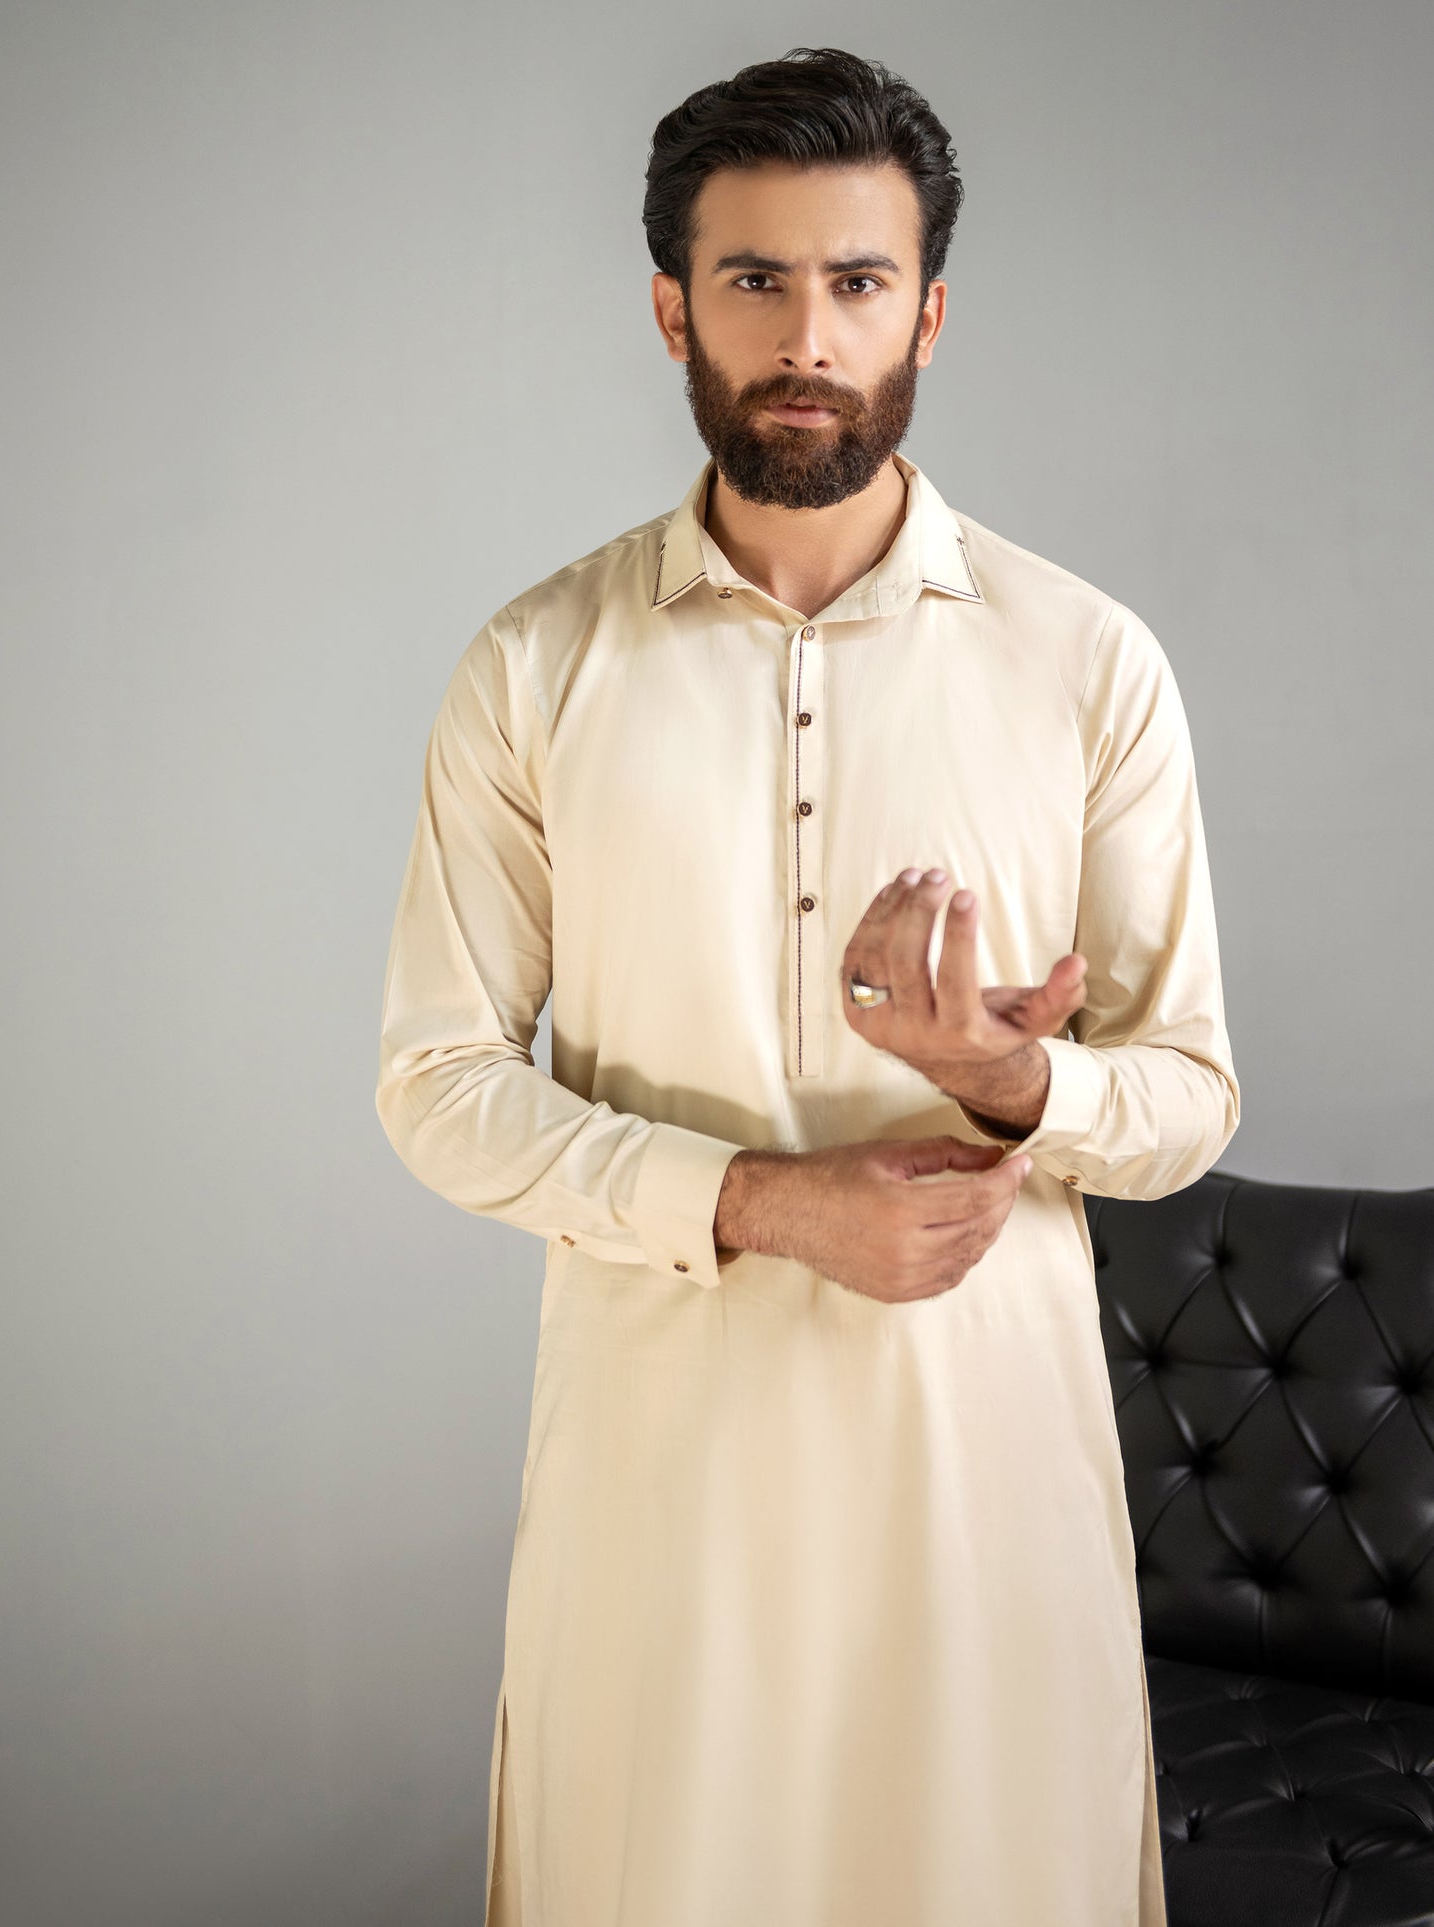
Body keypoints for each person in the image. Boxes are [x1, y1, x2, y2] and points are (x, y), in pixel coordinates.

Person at [375, 44, 1238, 1927]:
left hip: (983, 1488)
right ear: (671, 307)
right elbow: (436, 1081)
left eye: (855, 281)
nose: (805, 336)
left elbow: (1184, 1100)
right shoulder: (535, 666)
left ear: (927, 310)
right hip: (656, 1488)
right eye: (754, 279)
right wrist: (760, 1204)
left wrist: (1013, 1085)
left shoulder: (1085, 661)